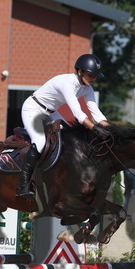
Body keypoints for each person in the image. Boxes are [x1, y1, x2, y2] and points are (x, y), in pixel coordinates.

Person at [18, 53, 111, 198]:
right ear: (80, 72)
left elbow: (96, 113)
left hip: (51, 112)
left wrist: (110, 131)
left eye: (95, 76)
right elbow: (78, 113)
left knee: (71, 138)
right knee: (40, 143)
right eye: (91, 75)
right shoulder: (67, 83)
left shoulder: (87, 88)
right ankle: (23, 184)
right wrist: (94, 128)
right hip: (33, 109)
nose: (94, 78)